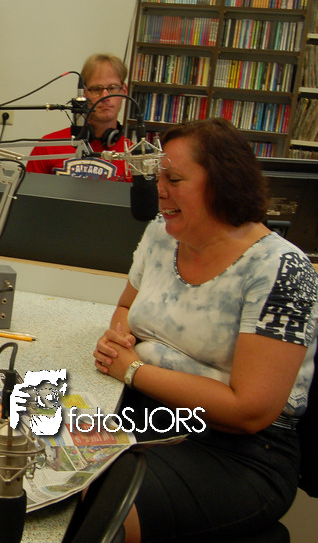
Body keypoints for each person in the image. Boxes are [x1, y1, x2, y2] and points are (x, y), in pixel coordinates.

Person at [91, 118, 317, 542]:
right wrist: (119, 338)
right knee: (27, 438)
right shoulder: (161, 234)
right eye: (159, 177)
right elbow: (126, 307)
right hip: (146, 413)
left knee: (94, 503)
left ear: (224, 184)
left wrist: (133, 369)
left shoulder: (281, 268)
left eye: (174, 179)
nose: (159, 189)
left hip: (236, 452)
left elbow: (249, 410)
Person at [28, 53, 133, 181]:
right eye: (96, 89)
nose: (105, 96)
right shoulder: (48, 147)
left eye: (113, 88)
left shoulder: (135, 157)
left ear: (124, 91)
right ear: (83, 93)